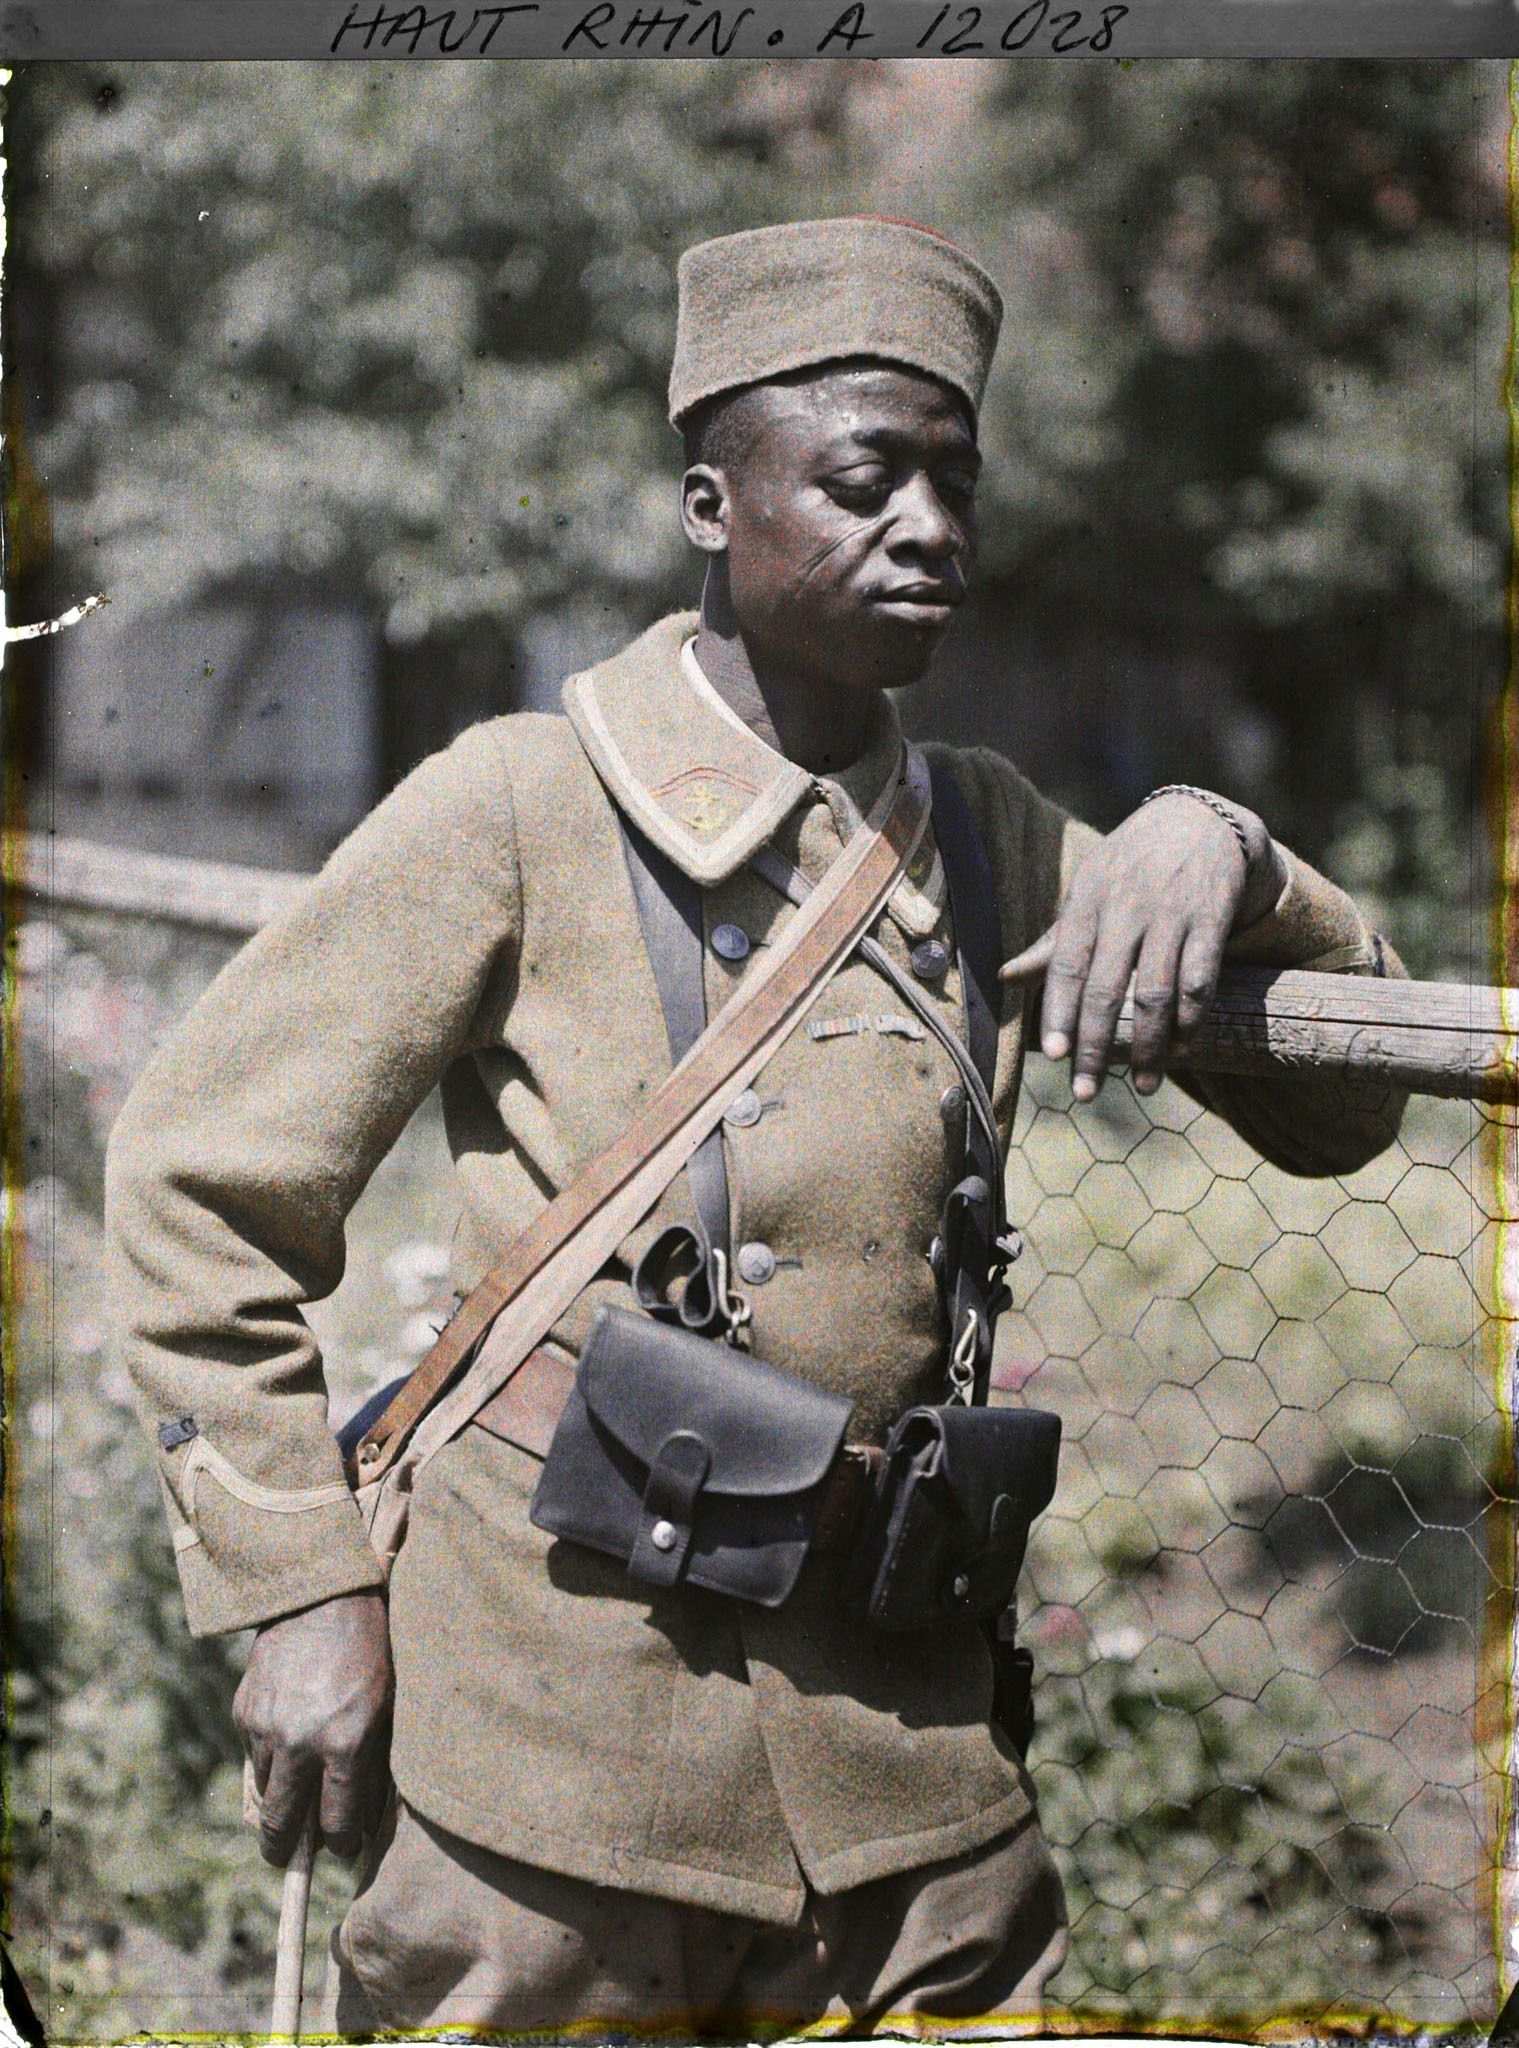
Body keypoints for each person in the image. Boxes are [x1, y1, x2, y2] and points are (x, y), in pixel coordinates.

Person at [105, 216, 1406, 2039]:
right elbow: (195, 1186)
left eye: (958, 482)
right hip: (550, 1773)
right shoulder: (523, 803)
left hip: (910, 1770)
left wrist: (1228, 846)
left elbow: (1342, 1121)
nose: (933, 528)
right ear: (713, 506)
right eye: (868, 479)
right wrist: (300, 1594)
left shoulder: (995, 835)